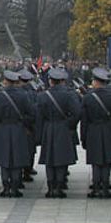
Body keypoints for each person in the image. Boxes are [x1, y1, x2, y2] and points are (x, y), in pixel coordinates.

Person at [36, 68, 80, 198]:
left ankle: (50, 188)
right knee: (61, 159)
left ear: (51, 81)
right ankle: (59, 188)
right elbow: (77, 113)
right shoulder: (69, 95)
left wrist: (39, 134)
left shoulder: (42, 96)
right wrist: (69, 124)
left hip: (49, 127)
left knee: (49, 159)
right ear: (62, 81)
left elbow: (39, 117)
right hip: (63, 127)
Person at [0, 71, 34, 198]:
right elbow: (31, 114)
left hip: (2, 130)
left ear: (5, 81)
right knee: (17, 160)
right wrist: (25, 124)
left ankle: (5, 188)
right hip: (18, 130)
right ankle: (15, 188)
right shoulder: (23, 96)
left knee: (4, 161)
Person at [81, 68, 111, 198]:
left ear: (96, 82)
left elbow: (84, 120)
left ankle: (96, 188)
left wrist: (83, 138)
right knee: (106, 161)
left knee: (96, 161)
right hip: (108, 130)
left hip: (93, 131)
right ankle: (105, 189)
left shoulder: (88, 98)